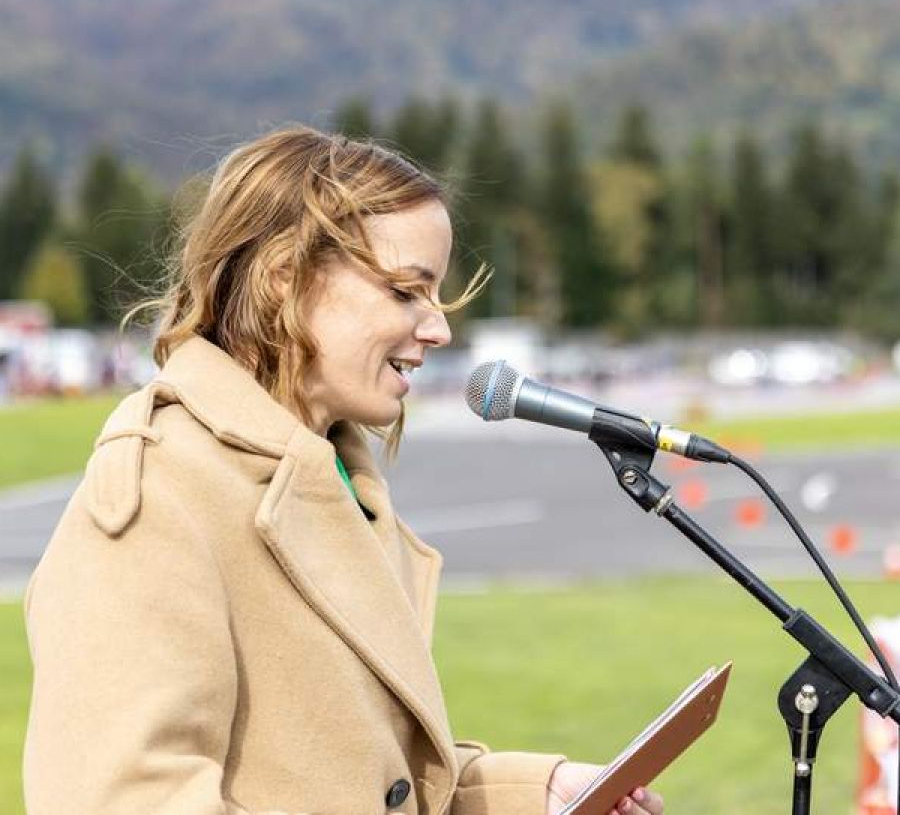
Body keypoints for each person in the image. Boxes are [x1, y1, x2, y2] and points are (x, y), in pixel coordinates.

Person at [23, 126, 664, 815]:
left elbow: (361, 776)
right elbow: (123, 799)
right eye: (404, 291)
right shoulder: (158, 494)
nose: (439, 329)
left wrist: (529, 794)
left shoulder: (335, 475)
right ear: (284, 279)